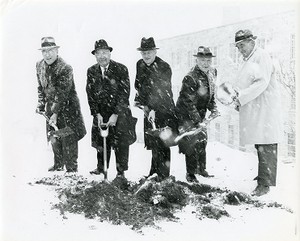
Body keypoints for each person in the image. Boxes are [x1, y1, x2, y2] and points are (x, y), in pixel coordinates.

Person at [232, 29, 283, 196]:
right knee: (260, 143)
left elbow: (261, 82)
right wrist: (238, 98)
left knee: (266, 144)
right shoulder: (249, 59)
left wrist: (241, 98)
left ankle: (265, 183)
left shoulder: (261, 56)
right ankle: (263, 176)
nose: (241, 49)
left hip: (265, 108)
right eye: (238, 46)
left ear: (252, 42)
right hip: (257, 107)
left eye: (243, 45)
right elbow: (246, 82)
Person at [86, 39, 137, 178]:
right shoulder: (91, 71)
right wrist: (96, 113)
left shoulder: (121, 69)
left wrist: (116, 114)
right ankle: (101, 168)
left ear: (110, 53)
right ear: (95, 55)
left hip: (119, 114)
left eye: (104, 52)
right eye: (98, 53)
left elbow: (124, 94)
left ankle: (121, 173)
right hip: (101, 114)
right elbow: (90, 94)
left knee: (120, 144)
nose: (102, 56)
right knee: (101, 143)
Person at [36, 37, 86, 173]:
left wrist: (55, 113)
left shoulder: (65, 68)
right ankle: (58, 164)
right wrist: (41, 104)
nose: (47, 54)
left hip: (68, 108)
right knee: (54, 136)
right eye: (44, 51)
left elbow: (62, 93)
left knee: (67, 137)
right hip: (51, 108)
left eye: (50, 50)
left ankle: (71, 168)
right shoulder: (39, 65)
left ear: (57, 51)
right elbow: (41, 87)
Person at [134, 37, 177, 181]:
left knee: (163, 142)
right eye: (144, 53)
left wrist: (154, 109)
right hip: (148, 110)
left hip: (164, 108)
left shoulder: (164, 67)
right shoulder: (139, 65)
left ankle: (164, 175)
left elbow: (163, 91)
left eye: (149, 52)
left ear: (154, 51)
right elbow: (138, 86)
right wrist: (140, 101)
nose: (146, 56)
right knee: (153, 141)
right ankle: (153, 172)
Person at [175, 46, 219, 183]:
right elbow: (187, 101)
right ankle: (191, 173)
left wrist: (213, 108)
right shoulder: (190, 77)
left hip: (200, 112)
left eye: (208, 60)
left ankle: (202, 168)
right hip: (185, 113)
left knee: (202, 140)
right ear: (197, 60)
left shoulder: (212, 72)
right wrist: (197, 120)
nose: (205, 63)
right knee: (191, 142)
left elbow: (211, 93)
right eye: (202, 60)